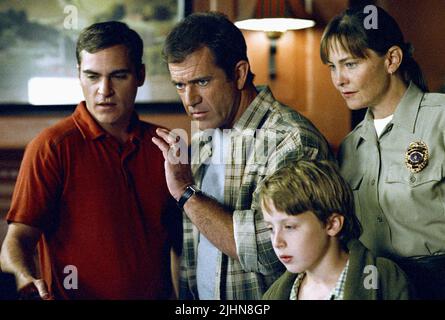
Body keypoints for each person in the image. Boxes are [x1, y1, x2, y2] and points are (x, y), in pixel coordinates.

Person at [152, 12, 334, 300]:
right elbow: (193, 249)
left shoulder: (289, 140)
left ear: (238, 74)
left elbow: (269, 249)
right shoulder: (201, 139)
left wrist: (187, 193)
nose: (190, 100)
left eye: (201, 82)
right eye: (180, 85)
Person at [0, 21, 181, 299]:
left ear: (140, 75)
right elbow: (16, 241)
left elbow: (181, 248)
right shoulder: (51, 147)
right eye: (93, 76)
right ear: (79, 76)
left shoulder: (165, 144)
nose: (104, 90)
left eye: (118, 76)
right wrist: (27, 282)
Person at [320, 4, 445, 299]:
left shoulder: (440, 119)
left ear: (391, 59)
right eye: (332, 67)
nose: (339, 79)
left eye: (350, 64)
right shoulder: (350, 147)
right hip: (377, 288)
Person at [260, 160, 411, 300]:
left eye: (289, 227)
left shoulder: (384, 278)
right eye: (271, 229)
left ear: (332, 224)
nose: (277, 242)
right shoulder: (275, 294)